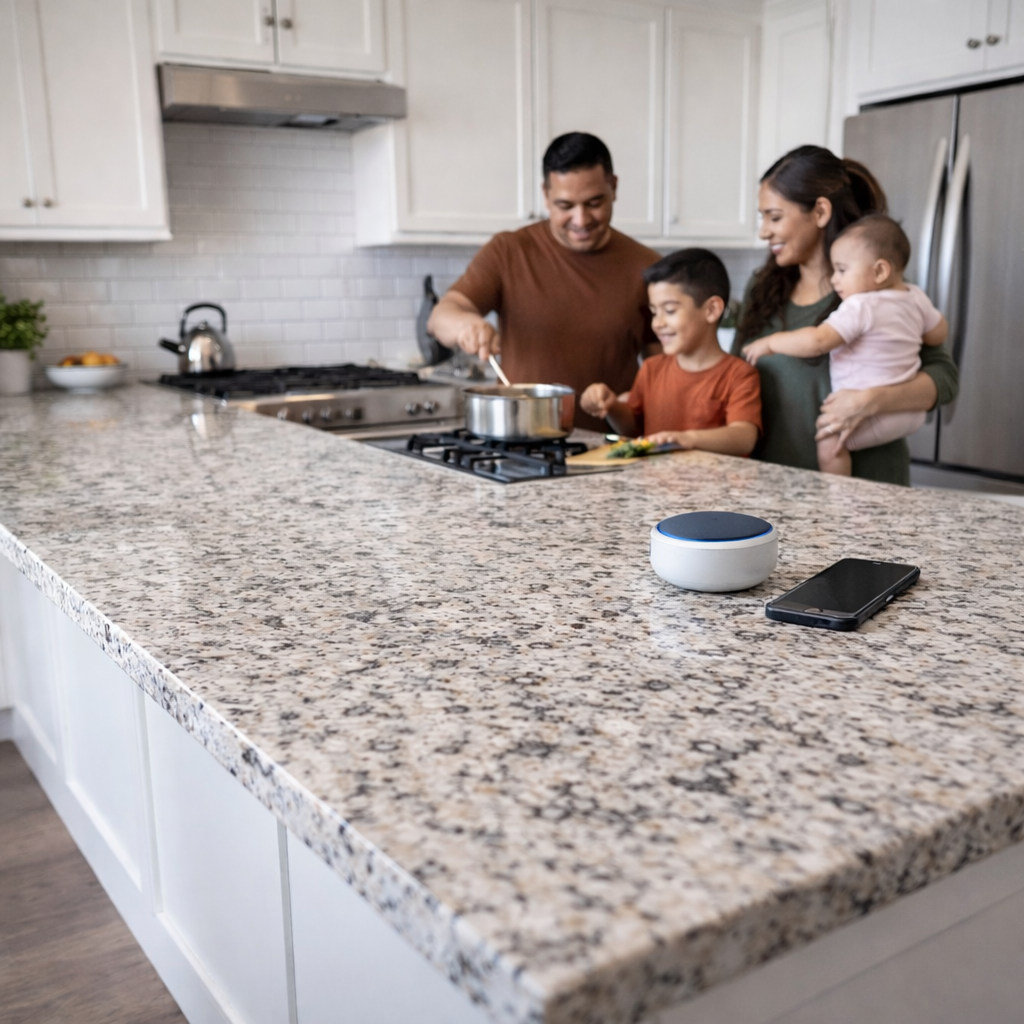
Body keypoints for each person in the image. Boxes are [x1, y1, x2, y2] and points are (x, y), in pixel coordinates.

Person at [730, 145, 959, 485]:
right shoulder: (762, 290)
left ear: (820, 212)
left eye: (774, 217)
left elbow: (945, 379)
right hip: (772, 488)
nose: (764, 231)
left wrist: (870, 401)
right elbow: (734, 376)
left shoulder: (880, 292)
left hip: (867, 496)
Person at [426, 133, 660, 431]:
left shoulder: (648, 267)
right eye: (565, 205)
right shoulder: (509, 251)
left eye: (594, 202)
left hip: (609, 450)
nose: (581, 219)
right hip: (521, 444)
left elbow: (665, 372)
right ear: (546, 195)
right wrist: (465, 326)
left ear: (614, 187)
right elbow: (441, 316)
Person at [743, 215, 947, 475]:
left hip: (872, 416)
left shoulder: (860, 305)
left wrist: (772, 342)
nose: (835, 279)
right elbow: (938, 333)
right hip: (910, 414)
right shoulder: (916, 297)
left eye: (841, 270)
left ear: (880, 271)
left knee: (829, 441)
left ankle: (840, 502)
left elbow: (818, 342)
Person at [580, 248, 761, 457]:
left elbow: (744, 438)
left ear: (711, 310)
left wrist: (686, 439)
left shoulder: (739, 374)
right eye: (654, 312)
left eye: (670, 310)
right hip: (654, 484)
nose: (658, 323)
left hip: (715, 488)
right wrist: (611, 406)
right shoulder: (652, 368)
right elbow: (631, 429)